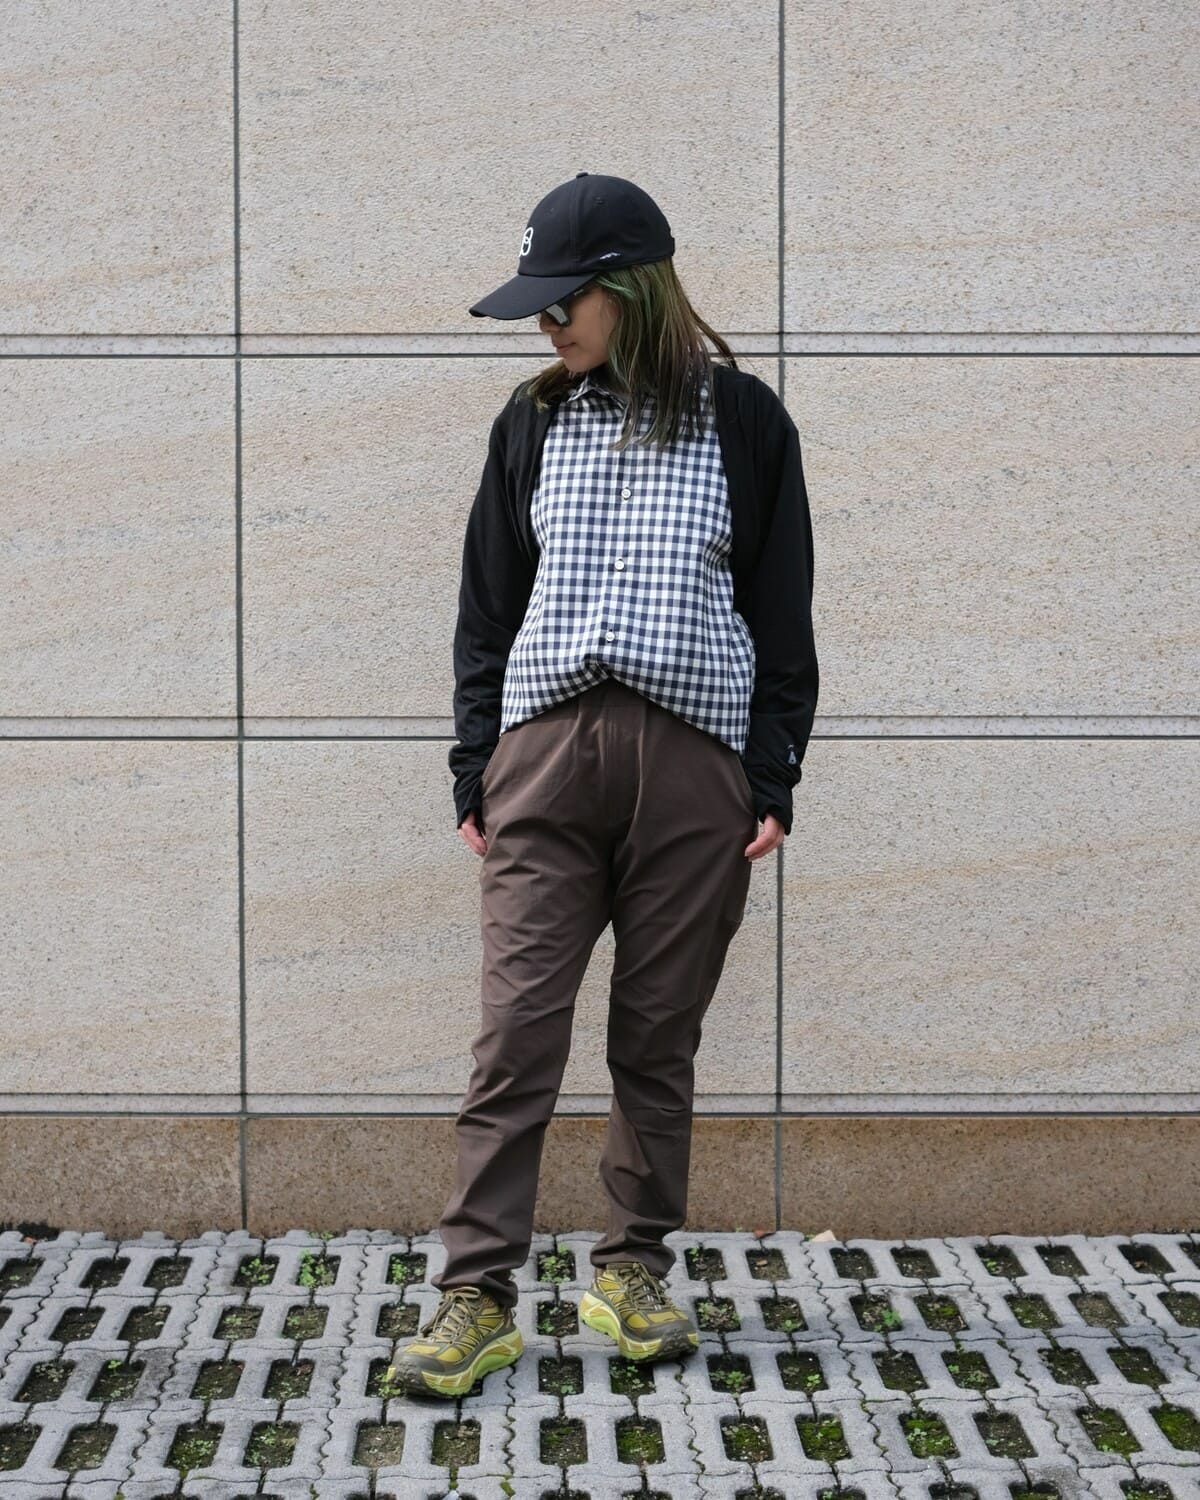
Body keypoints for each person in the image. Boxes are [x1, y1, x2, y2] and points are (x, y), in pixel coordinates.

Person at [388, 173, 819, 1399]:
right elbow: (487, 610)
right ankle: (476, 1294)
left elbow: (781, 612)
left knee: (656, 1037)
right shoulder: (530, 423)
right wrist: (476, 766)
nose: (544, 324)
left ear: (630, 289)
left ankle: (632, 1268)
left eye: (561, 301)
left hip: (695, 765)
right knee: (516, 1035)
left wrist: (770, 775)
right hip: (546, 758)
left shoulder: (745, 421)